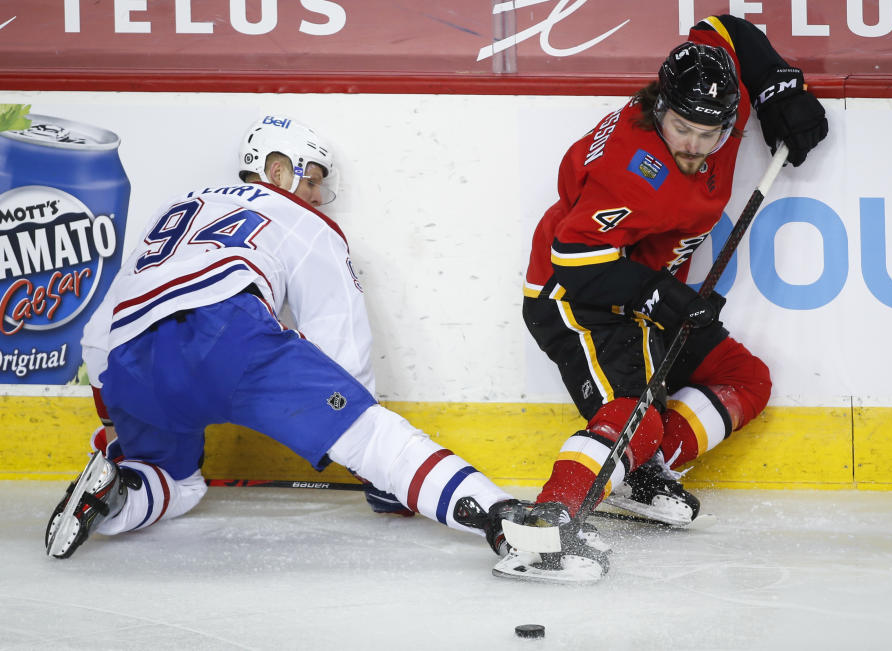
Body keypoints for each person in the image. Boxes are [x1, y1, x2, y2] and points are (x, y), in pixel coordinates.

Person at [45, 115, 608, 582]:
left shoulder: (177, 205)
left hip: (125, 358)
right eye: (310, 177)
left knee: (174, 480)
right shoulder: (300, 220)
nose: (317, 194)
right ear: (274, 168)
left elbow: (105, 320)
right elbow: (342, 352)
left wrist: (113, 417)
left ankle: (117, 497)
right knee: (369, 428)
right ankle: (508, 523)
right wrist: (378, 473)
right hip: (226, 333)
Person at [521, 15, 829, 532]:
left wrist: (779, 88)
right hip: (577, 300)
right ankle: (549, 520)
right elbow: (574, 261)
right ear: (658, 107)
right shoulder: (633, 170)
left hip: (647, 293)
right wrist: (663, 296)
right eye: (681, 128)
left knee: (744, 379)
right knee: (633, 415)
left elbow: (722, 28)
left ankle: (645, 475)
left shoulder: (716, 103)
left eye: (708, 134)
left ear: (732, 121)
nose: (692, 145)